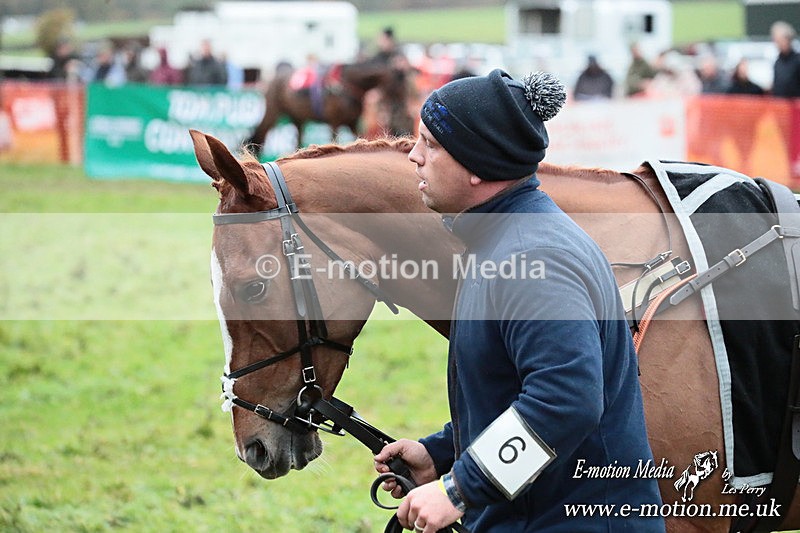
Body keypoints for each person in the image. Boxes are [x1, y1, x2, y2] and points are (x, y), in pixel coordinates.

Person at [373, 69, 665, 532]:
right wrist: (443, 451)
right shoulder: (506, 240)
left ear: (476, 164)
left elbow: (566, 398)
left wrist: (459, 488)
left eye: (431, 144)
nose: (414, 156)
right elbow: (514, 390)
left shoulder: (535, 257)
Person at [770, 21, 800, 98]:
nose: (778, 44)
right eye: (776, 41)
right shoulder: (777, 62)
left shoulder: (797, 61)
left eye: (780, 40)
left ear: (788, 39)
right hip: (780, 107)